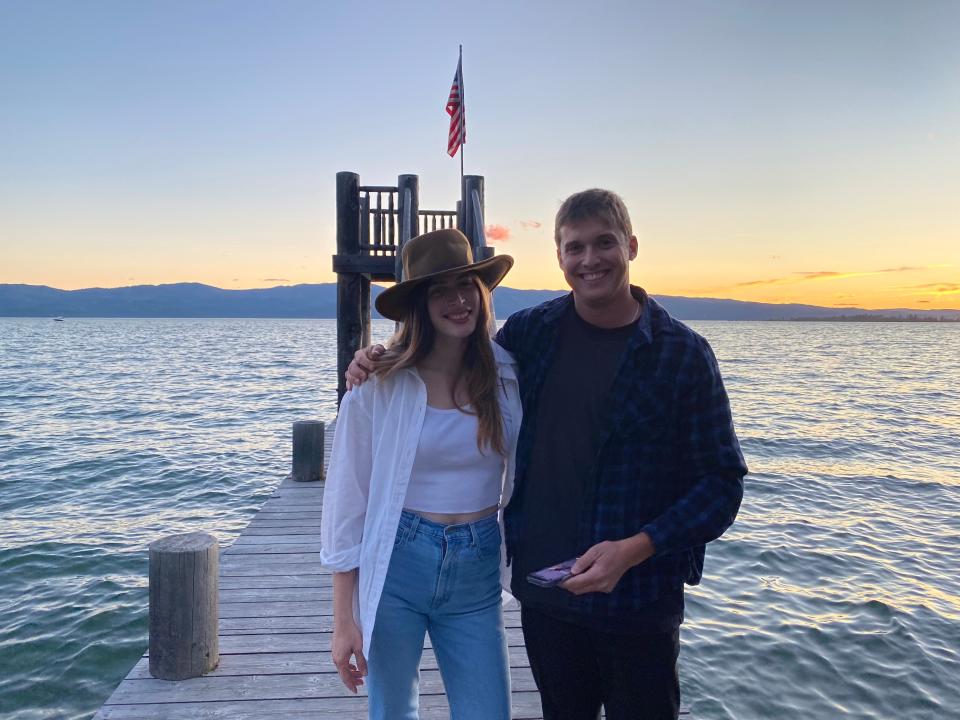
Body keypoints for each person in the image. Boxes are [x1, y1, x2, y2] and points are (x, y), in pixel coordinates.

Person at [347, 189, 747, 720]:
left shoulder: (683, 354)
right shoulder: (531, 336)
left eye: (604, 243)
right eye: (574, 248)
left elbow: (721, 484)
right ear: (559, 257)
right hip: (547, 596)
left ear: (630, 246)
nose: (590, 260)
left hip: (639, 598)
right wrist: (377, 360)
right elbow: (452, 356)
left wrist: (636, 548)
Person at [320, 228, 521, 720]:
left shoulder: (509, 374)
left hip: (476, 568)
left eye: (467, 285)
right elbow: (348, 502)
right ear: (418, 305)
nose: (457, 301)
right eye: (439, 291)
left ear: (482, 291)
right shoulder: (378, 385)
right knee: (392, 712)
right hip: (397, 562)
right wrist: (343, 619)